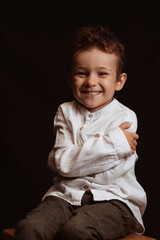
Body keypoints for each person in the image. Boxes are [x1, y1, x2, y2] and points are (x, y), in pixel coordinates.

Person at [15, 25, 147, 240]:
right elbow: (62, 163)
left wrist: (76, 156)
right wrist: (114, 143)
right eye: (82, 73)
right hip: (65, 197)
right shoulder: (65, 112)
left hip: (115, 201)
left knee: (77, 230)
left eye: (102, 73)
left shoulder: (126, 117)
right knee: (30, 228)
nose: (91, 82)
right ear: (70, 79)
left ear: (119, 81)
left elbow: (108, 174)